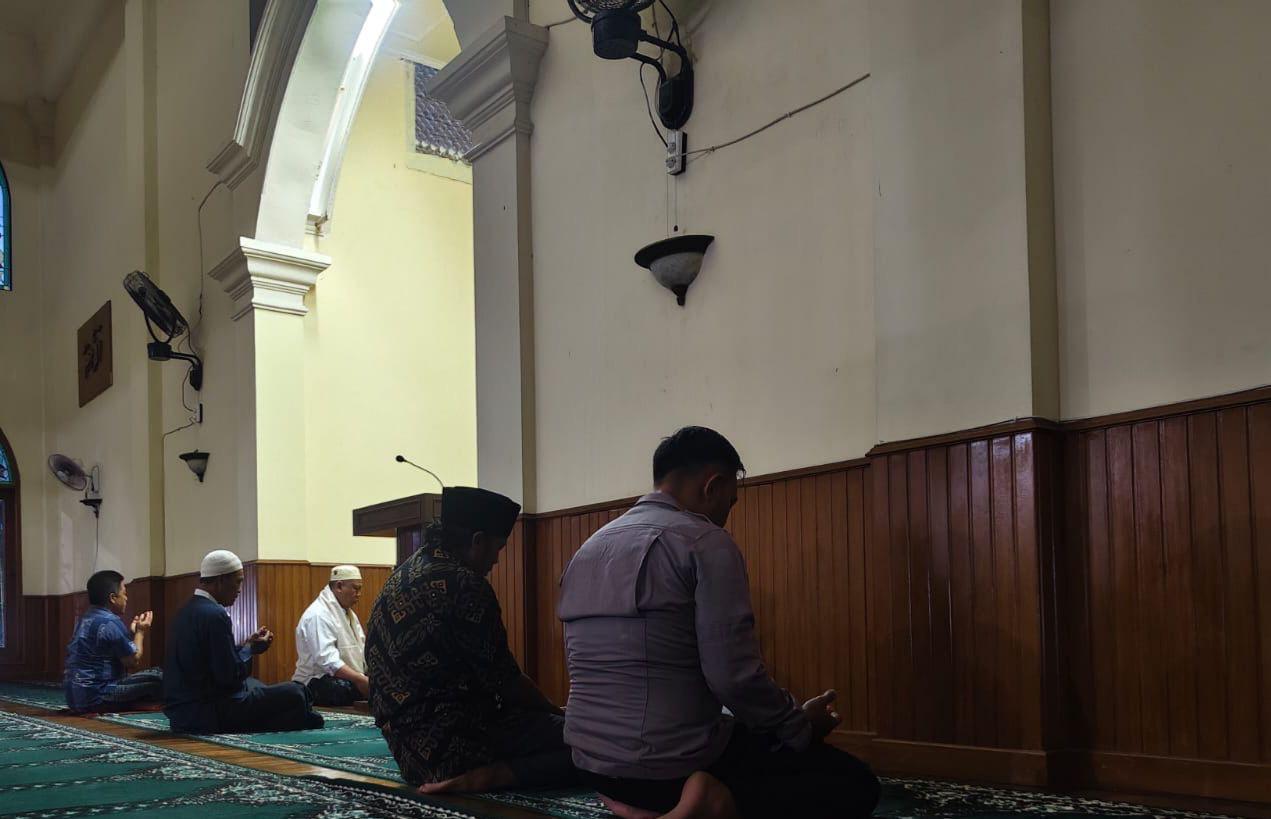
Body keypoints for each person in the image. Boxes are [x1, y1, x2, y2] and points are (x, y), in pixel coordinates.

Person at [558, 427, 881, 819]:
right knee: (855, 783)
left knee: (729, 727)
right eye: (730, 502)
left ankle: (638, 807)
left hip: (589, 762)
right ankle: (705, 803)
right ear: (712, 486)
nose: (727, 517)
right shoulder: (703, 541)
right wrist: (800, 725)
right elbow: (734, 679)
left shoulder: (587, 549)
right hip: (665, 768)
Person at [366, 486, 577, 793]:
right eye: (498, 549)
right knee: (595, 749)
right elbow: (507, 682)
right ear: (478, 541)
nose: (496, 561)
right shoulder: (464, 584)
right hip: (457, 749)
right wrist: (557, 713)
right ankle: (489, 776)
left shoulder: (406, 572)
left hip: (408, 753)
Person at [163, 549, 324, 733]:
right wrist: (249, 650)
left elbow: (213, 662)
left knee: (255, 685)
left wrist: (248, 646)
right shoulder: (215, 615)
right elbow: (229, 678)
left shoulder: (186, 611)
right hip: (208, 714)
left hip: (182, 714)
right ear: (221, 580)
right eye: (238, 581)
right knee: (296, 692)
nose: (240, 589)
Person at [63, 570, 163, 713]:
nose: (126, 598)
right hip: (98, 696)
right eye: (124, 594)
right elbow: (132, 660)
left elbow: (112, 650)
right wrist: (140, 632)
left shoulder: (84, 619)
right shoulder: (110, 622)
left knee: (146, 679)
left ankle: (138, 702)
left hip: (74, 697)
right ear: (113, 598)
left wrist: (131, 634)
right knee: (160, 675)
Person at [293, 564, 368, 706]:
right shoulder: (318, 615)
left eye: (360, 589)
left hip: (341, 678)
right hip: (314, 681)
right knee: (345, 689)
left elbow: (362, 650)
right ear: (339, 586)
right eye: (355, 588)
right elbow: (328, 661)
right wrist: (360, 680)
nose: (359, 594)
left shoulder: (349, 614)